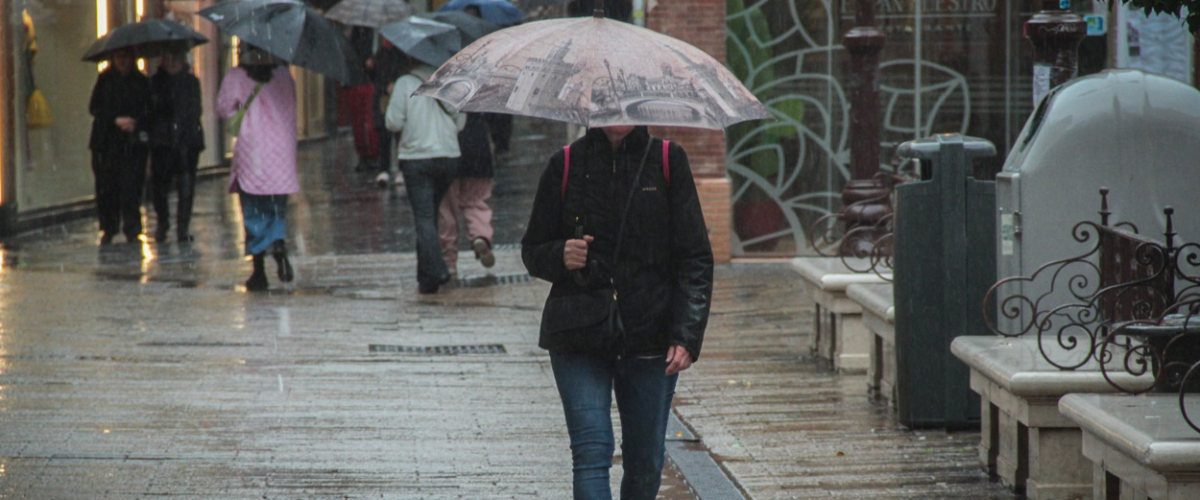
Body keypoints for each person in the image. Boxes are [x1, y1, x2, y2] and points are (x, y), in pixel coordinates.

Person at [521, 125, 714, 500]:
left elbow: (695, 258)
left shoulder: (667, 160)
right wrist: (561, 254)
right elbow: (532, 249)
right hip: (579, 332)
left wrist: (687, 335)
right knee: (591, 452)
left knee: (645, 461)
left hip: (650, 335)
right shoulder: (565, 163)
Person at [216, 45, 298, 292]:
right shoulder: (283, 74)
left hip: (253, 152)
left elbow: (224, 109)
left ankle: (259, 270)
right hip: (281, 153)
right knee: (275, 207)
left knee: (253, 211)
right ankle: (278, 242)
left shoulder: (237, 76)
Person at [386, 52, 466, 294]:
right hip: (448, 156)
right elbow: (461, 121)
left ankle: (438, 269)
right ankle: (426, 279)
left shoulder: (404, 83)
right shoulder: (448, 81)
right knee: (429, 217)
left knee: (424, 217)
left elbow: (393, 122)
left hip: (416, 158)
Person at [88, 46, 151, 245]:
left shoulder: (141, 81)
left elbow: (149, 110)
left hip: (132, 143)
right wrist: (114, 119)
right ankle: (109, 226)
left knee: (131, 187)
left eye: (126, 57)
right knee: (107, 186)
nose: (122, 61)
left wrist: (135, 123)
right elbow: (95, 107)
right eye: (119, 57)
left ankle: (132, 227)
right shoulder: (105, 80)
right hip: (107, 143)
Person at [148, 48, 204, 243]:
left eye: (175, 58)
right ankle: (163, 222)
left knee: (186, 185)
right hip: (162, 142)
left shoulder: (191, 82)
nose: (171, 62)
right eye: (167, 57)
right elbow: (151, 110)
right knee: (159, 186)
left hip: (187, 141)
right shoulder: (155, 83)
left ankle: (182, 226)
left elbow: (195, 110)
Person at [438, 112, 496, 277]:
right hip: (478, 147)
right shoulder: (477, 97)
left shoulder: (441, 97)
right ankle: (480, 235)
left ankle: (449, 260)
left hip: (447, 148)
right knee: (476, 201)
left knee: (446, 208)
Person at [366, 36, 409, 187]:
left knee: (399, 135)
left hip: (397, 97)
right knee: (384, 135)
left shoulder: (401, 56)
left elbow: (404, 73)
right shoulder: (379, 55)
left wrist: (395, 83)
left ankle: (401, 169)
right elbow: (373, 78)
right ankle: (384, 169)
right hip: (383, 98)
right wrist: (370, 67)